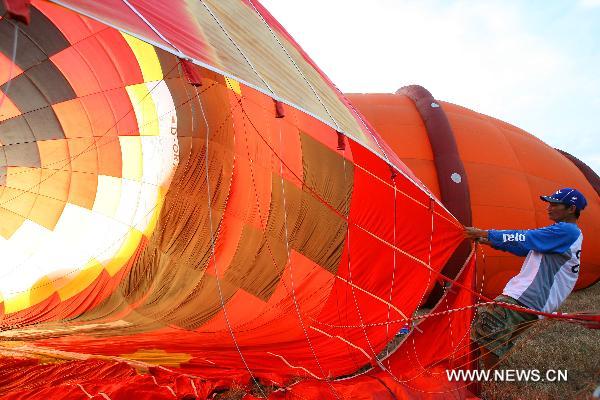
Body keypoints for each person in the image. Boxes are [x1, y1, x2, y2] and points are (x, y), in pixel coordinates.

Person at [465, 187, 587, 369]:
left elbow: (526, 237)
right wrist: (489, 241)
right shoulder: (562, 233)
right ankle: (485, 378)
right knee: (498, 341)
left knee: (487, 331)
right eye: (549, 203)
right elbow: (524, 247)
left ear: (571, 209)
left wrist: (485, 233)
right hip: (536, 300)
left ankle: (486, 382)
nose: (549, 207)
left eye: (555, 204)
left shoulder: (567, 231)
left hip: (527, 295)